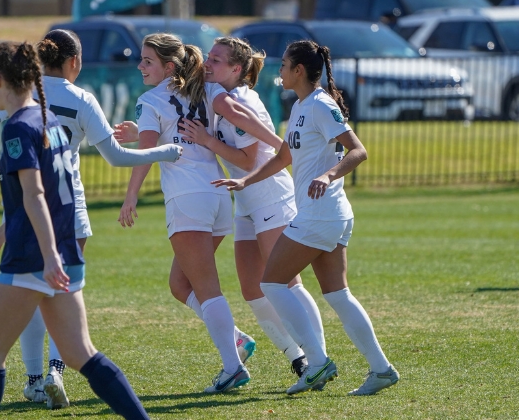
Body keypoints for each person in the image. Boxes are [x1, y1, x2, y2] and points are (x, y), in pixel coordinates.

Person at [0, 29, 181, 410]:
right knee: (68, 318)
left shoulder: (21, 95)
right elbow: (117, 157)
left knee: (24, 302)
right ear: (74, 62)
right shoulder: (79, 99)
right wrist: (164, 152)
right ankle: (56, 373)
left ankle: (33, 379)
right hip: (70, 210)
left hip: (33, 218)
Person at [214, 40, 398, 396]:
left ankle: (316, 363)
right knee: (338, 295)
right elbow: (284, 155)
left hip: (321, 214)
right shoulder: (300, 106)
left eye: (284, 65)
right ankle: (381, 369)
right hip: (326, 215)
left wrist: (328, 175)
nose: (278, 70)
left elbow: (358, 151)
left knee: (271, 283)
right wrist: (246, 180)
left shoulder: (320, 105)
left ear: (299, 70)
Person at [116, 33, 285, 393]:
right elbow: (237, 113)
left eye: (147, 61)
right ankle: (236, 338)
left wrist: (130, 196)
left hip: (187, 198)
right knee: (180, 284)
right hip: (219, 196)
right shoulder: (206, 90)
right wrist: (279, 144)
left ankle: (232, 367)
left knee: (208, 289)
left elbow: (148, 151)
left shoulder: (150, 100)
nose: (140, 66)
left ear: (169, 66)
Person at [175, 36, 326, 378]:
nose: (207, 64)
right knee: (252, 288)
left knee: (287, 283)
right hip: (247, 201)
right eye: (208, 57)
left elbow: (248, 158)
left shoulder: (239, 99)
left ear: (236, 68)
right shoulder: (220, 95)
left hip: (271, 195)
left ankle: (320, 358)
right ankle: (297, 357)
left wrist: (208, 141)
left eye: (216, 59)